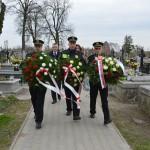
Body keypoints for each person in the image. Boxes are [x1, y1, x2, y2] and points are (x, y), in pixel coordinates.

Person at [61, 36, 86, 120]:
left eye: (74, 43)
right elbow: (60, 64)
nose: (72, 44)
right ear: (68, 43)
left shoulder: (79, 54)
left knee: (75, 96)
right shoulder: (63, 53)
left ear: (75, 44)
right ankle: (69, 109)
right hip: (66, 79)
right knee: (68, 96)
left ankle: (76, 114)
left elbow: (83, 66)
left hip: (75, 80)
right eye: (71, 43)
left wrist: (81, 76)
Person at [87, 42, 112, 125]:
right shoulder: (90, 58)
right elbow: (88, 69)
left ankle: (106, 118)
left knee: (104, 100)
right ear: (94, 49)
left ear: (102, 49)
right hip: (93, 82)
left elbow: (110, 69)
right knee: (93, 97)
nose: (97, 50)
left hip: (103, 82)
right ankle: (92, 112)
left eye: (99, 48)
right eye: (96, 48)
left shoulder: (106, 58)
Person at [27, 40, 47, 129]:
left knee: (40, 101)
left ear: (42, 46)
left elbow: (48, 69)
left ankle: (39, 120)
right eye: (36, 46)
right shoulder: (29, 55)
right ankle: (36, 112)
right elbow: (25, 67)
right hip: (32, 82)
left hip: (42, 83)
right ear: (34, 46)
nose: (38, 47)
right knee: (34, 99)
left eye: (39, 46)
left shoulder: (46, 56)